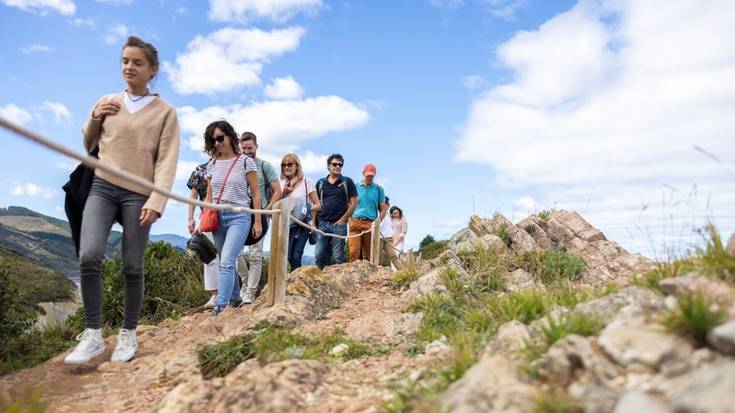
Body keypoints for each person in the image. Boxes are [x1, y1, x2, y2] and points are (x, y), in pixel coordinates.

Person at [65, 36, 180, 364]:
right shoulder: (108, 101)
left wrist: (157, 201)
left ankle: (128, 334)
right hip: (102, 186)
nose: (129, 67)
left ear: (152, 70)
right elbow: (89, 144)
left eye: (137, 62)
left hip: (139, 193)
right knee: (89, 256)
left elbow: (167, 160)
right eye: (125, 61)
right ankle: (93, 335)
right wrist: (95, 115)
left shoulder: (165, 113)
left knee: (132, 264)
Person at [200, 121, 261, 315]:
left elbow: (256, 194)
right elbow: (209, 195)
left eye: (220, 138)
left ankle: (221, 305)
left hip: (240, 216)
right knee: (223, 260)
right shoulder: (212, 164)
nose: (217, 143)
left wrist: (257, 221)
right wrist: (202, 219)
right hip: (217, 217)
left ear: (230, 137)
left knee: (227, 260)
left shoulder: (245, 162)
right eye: (213, 140)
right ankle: (235, 298)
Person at [239, 132, 281, 303]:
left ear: (256, 146)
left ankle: (251, 291)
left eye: (250, 148)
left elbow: (278, 190)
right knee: (235, 252)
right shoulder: (237, 165)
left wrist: (267, 210)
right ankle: (244, 282)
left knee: (256, 254)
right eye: (244, 148)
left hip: (260, 213)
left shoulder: (265, 166)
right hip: (240, 213)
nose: (247, 151)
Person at [314, 154, 357, 269]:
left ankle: (338, 284)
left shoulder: (347, 182)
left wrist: (343, 219)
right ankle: (320, 281)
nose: (337, 166)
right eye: (334, 164)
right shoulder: (320, 183)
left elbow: (354, 203)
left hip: (339, 225)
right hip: (322, 223)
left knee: (338, 257)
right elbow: (315, 204)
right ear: (328, 166)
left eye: (340, 165)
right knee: (319, 255)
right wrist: (313, 224)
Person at [279, 154, 320, 270]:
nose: (287, 167)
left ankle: (297, 285)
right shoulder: (281, 184)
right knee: (287, 257)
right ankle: (292, 282)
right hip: (286, 225)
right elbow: (276, 205)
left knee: (296, 257)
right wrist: (284, 192)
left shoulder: (307, 182)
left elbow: (317, 204)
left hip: (302, 224)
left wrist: (304, 209)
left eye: (290, 164)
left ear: (297, 166)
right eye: (284, 165)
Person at [348, 163, 387, 262]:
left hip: (370, 223)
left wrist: (377, 221)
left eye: (372, 175)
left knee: (368, 255)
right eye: (368, 175)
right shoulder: (355, 186)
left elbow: (383, 209)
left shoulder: (379, 189)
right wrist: (349, 219)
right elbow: (348, 204)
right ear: (363, 174)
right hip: (355, 221)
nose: (370, 177)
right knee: (354, 251)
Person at [379, 197, 402, 270]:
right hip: (378, 238)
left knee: (394, 256)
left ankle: (404, 272)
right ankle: (379, 275)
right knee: (380, 259)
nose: (386, 205)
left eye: (387, 203)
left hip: (388, 238)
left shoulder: (390, 215)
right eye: (384, 203)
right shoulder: (375, 214)